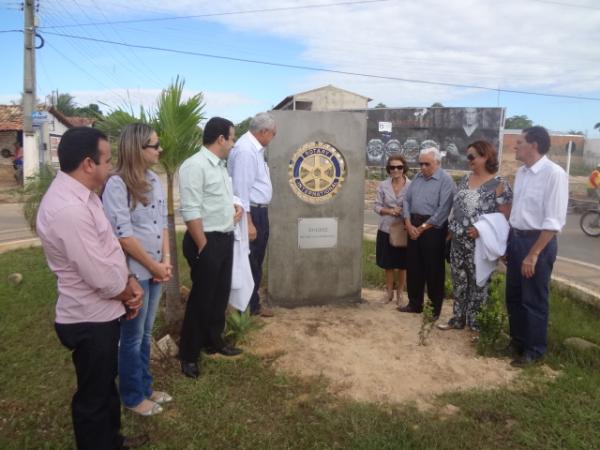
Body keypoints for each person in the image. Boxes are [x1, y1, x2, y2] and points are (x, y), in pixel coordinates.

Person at [36, 127, 146, 449]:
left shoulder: (83, 195)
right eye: (107, 161)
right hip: (88, 318)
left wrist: (128, 282)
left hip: (103, 310)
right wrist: (129, 291)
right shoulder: (69, 209)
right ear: (88, 163)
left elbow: (107, 250)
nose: (110, 168)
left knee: (103, 386)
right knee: (93, 397)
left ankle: (113, 440)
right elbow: (100, 276)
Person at [102, 123, 173, 416]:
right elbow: (123, 236)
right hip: (135, 273)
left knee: (145, 334)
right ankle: (132, 396)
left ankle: (145, 386)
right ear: (137, 148)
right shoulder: (117, 184)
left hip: (156, 268)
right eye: (154, 146)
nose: (160, 150)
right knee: (131, 337)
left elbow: (163, 224)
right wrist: (153, 265)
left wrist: (165, 261)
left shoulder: (155, 180)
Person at [178, 117, 244, 379]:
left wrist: (233, 210)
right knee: (201, 300)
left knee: (219, 296)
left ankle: (213, 341)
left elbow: (215, 201)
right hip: (205, 240)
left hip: (224, 237)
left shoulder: (220, 166)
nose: (233, 142)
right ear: (221, 139)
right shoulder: (195, 166)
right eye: (232, 137)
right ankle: (188, 355)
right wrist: (204, 246)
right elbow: (191, 210)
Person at [506, 126, 568, 367]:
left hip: (538, 243)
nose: (515, 146)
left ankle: (534, 350)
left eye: (520, 142)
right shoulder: (522, 173)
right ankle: (518, 342)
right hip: (516, 239)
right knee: (514, 295)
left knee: (533, 299)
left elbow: (553, 222)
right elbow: (518, 211)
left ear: (534, 145)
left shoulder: (554, 174)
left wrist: (533, 254)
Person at [438, 141, 512, 332]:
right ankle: (457, 319)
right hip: (457, 242)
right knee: (459, 281)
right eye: (467, 156)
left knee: (479, 284)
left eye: (472, 156)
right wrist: (450, 230)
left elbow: (504, 218)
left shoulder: (500, 185)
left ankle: (476, 324)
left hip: (480, 244)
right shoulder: (464, 180)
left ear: (486, 156)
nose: (468, 160)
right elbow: (456, 208)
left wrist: (482, 229)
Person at [227, 112, 277, 317]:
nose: (273, 138)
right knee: (250, 261)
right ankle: (245, 309)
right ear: (263, 131)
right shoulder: (246, 150)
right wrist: (248, 223)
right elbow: (240, 191)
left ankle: (252, 304)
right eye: (273, 133)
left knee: (256, 259)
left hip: (258, 210)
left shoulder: (255, 149)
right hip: (251, 212)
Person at [399, 147, 456, 319]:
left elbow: (443, 210)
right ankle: (415, 304)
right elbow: (406, 200)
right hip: (413, 225)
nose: (422, 167)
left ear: (437, 163)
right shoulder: (417, 177)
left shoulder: (446, 181)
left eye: (427, 164)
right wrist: (408, 223)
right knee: (414, 266)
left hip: (433, 229)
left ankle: (433, 310)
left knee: (434, 270)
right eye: (420, 164)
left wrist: (422, 227)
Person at [373, 153, 411, 305]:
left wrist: (403, 211)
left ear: (404, 168)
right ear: (388, 169)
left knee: (403, 264)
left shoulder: (412, 185)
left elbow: (415, 206)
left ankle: (400, 294)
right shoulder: (383, 185)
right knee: (387, 263)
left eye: (399, 167)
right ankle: (388, 293)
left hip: (403, 229)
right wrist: (389, 211)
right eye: (392, 167)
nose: (396, 170)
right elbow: (376, 206)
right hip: (386, 229)